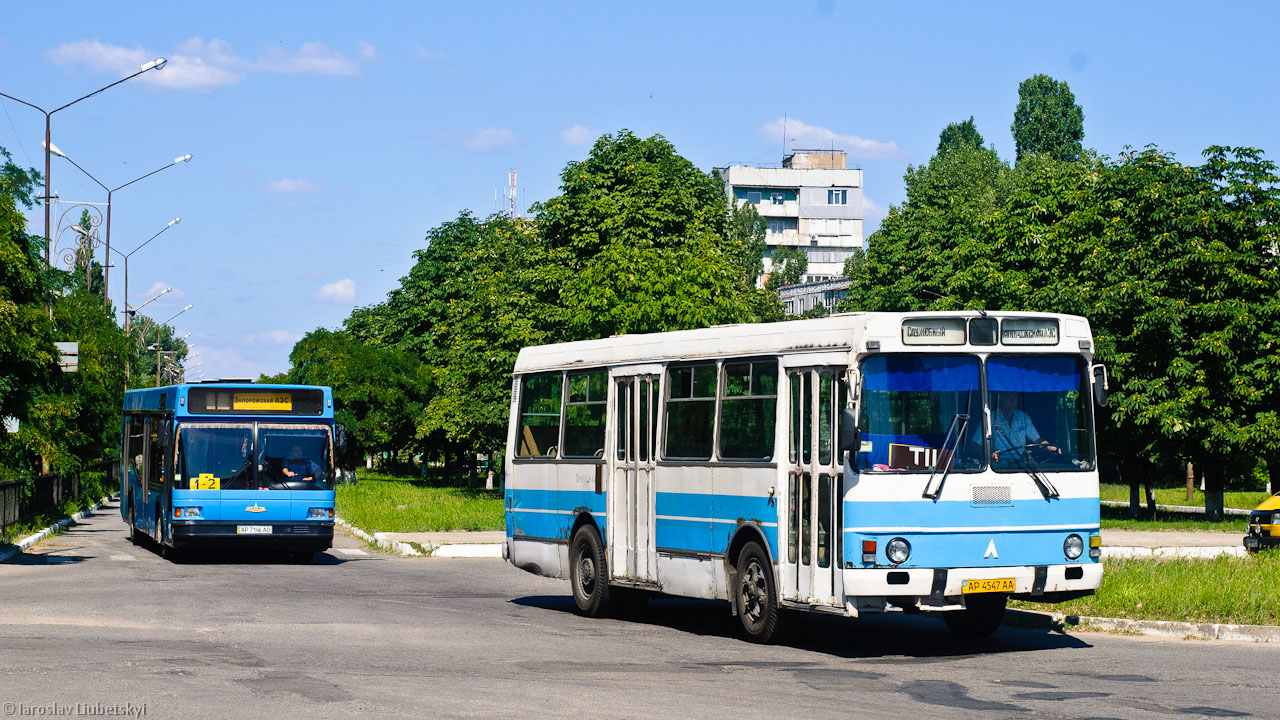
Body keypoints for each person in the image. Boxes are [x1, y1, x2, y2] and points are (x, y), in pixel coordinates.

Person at [990, 391, 1059, 464]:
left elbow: (1038, 440)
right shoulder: (990, 418)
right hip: (997, 467)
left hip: (1021, 466)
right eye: (1008, 397)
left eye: (1015, 397)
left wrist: (1049, 447)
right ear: (1001, 398)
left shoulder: (1023, 417)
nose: (1012, 400)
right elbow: (977, 446)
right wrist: (991, 455)